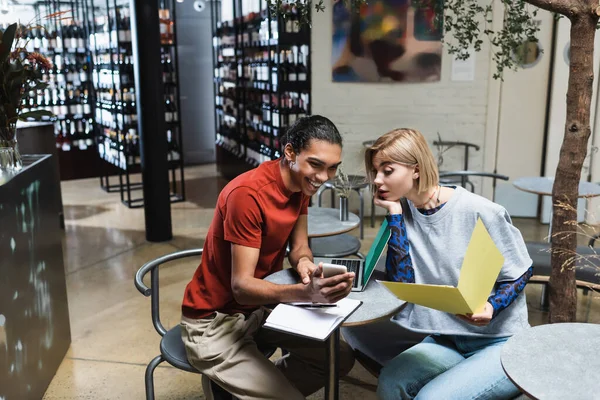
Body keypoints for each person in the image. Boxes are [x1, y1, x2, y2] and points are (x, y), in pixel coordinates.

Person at [180, 115, 356, 400]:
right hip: (214, 322)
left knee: (340, 358)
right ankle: (243, 386)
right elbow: (242, 286)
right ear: (290, 152)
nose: (324, 178)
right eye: (316, 165)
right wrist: (304, 293)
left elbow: (299, 248)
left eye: (333, 168)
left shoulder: (301, 187)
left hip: (258, 311)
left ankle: (240, 389)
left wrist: (306, 266)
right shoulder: (248, 195)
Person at [364, 128, 533, 399]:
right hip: (447, 337)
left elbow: (521, 271)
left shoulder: (481, 211)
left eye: (387, 170)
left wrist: (491, 306)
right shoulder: (403, 212)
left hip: (500, 343)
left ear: (415, 170)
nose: (377, 180)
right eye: (375, 172)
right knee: (390, 382)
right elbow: (403, 284)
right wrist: (395, 215)